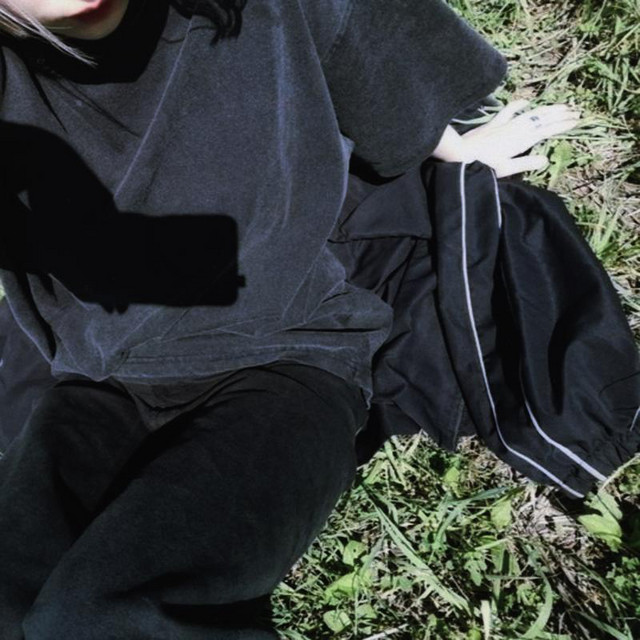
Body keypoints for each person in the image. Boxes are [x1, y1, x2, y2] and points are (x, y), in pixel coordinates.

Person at [0, 0, 581, 638]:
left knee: (117, 615)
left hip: (286, 352)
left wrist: (460, 150)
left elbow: (371, 55)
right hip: (98, 372)